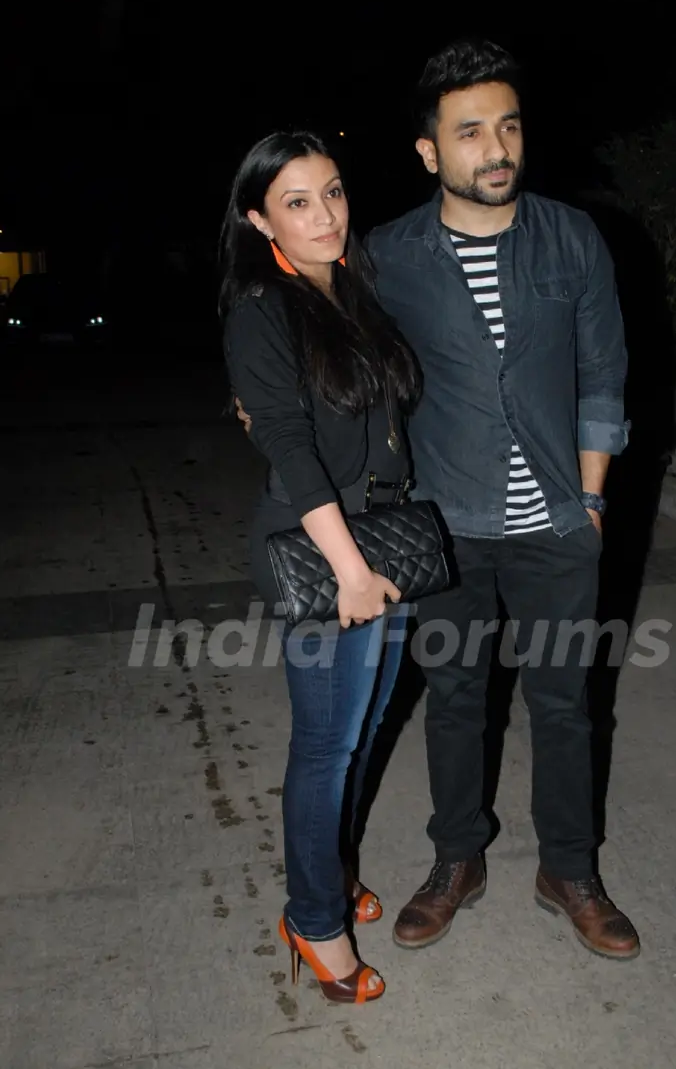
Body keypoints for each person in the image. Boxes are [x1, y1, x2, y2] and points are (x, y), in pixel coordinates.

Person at [365, 38, 640, 959]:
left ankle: (570, 868)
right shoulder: (391, 255)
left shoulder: (572, 238)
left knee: (565, 703)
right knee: (455, 698)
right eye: (471, 131)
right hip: (447, 528)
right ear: (428, 150)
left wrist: (591, 501)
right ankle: (458, 859)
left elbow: (604, 373)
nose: (497, 149)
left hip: (557, 523)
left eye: (509, 127)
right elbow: (347, 363)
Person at [221, 130, 421, 1003]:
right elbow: (292, 450)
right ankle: (313, 918)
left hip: (387, 544)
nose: (325, 214)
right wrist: (349, 571)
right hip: (327, 557)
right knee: (326, 747)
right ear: (259, 218)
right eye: (297, 201)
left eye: (333, 191)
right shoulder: (261, 308)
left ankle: (332, 869)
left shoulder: (352, 287)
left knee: (362, 732)